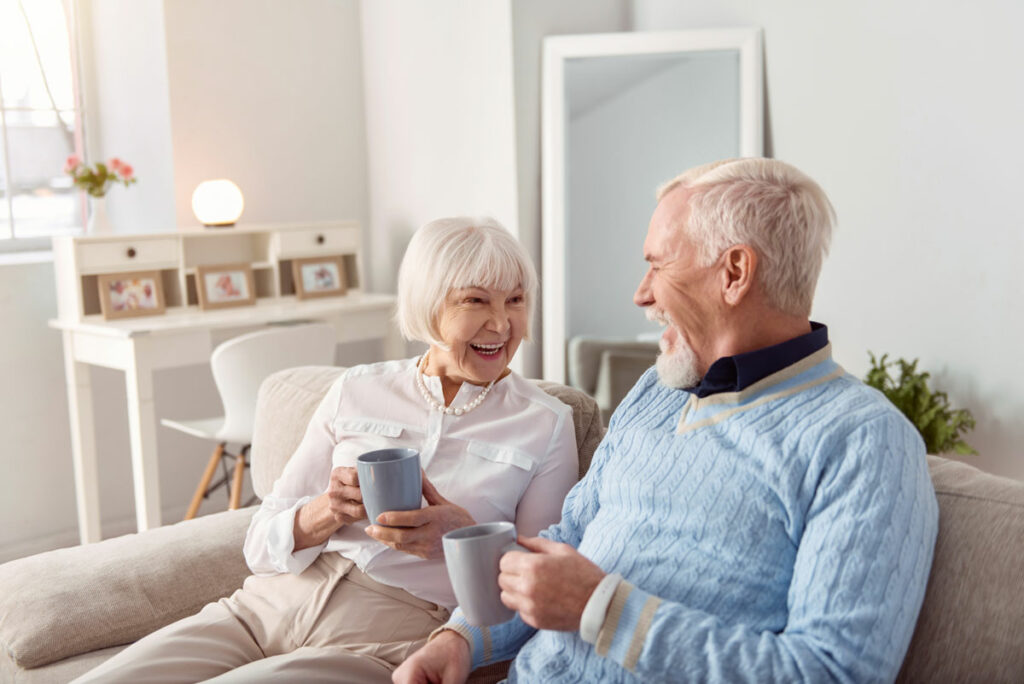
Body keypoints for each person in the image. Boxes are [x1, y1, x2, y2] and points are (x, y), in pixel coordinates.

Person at [395, 158, 939, 683]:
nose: (641, 293)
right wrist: (463, 639)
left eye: (658, 264)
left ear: (734, 273)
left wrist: (601, 609)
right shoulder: (658, 390)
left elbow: (835, 672)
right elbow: (568, 543)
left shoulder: (865, 439)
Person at [73, 217, 579, 683]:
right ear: (430, 305)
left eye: (515, 300)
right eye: (476, 301)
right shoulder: (357, 389)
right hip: (268, 605)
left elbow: (543, 584)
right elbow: (258, 542)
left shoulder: (545, 424)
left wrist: (461, 535)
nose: (501, 324)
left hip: (386, 633)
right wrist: (322, 512)